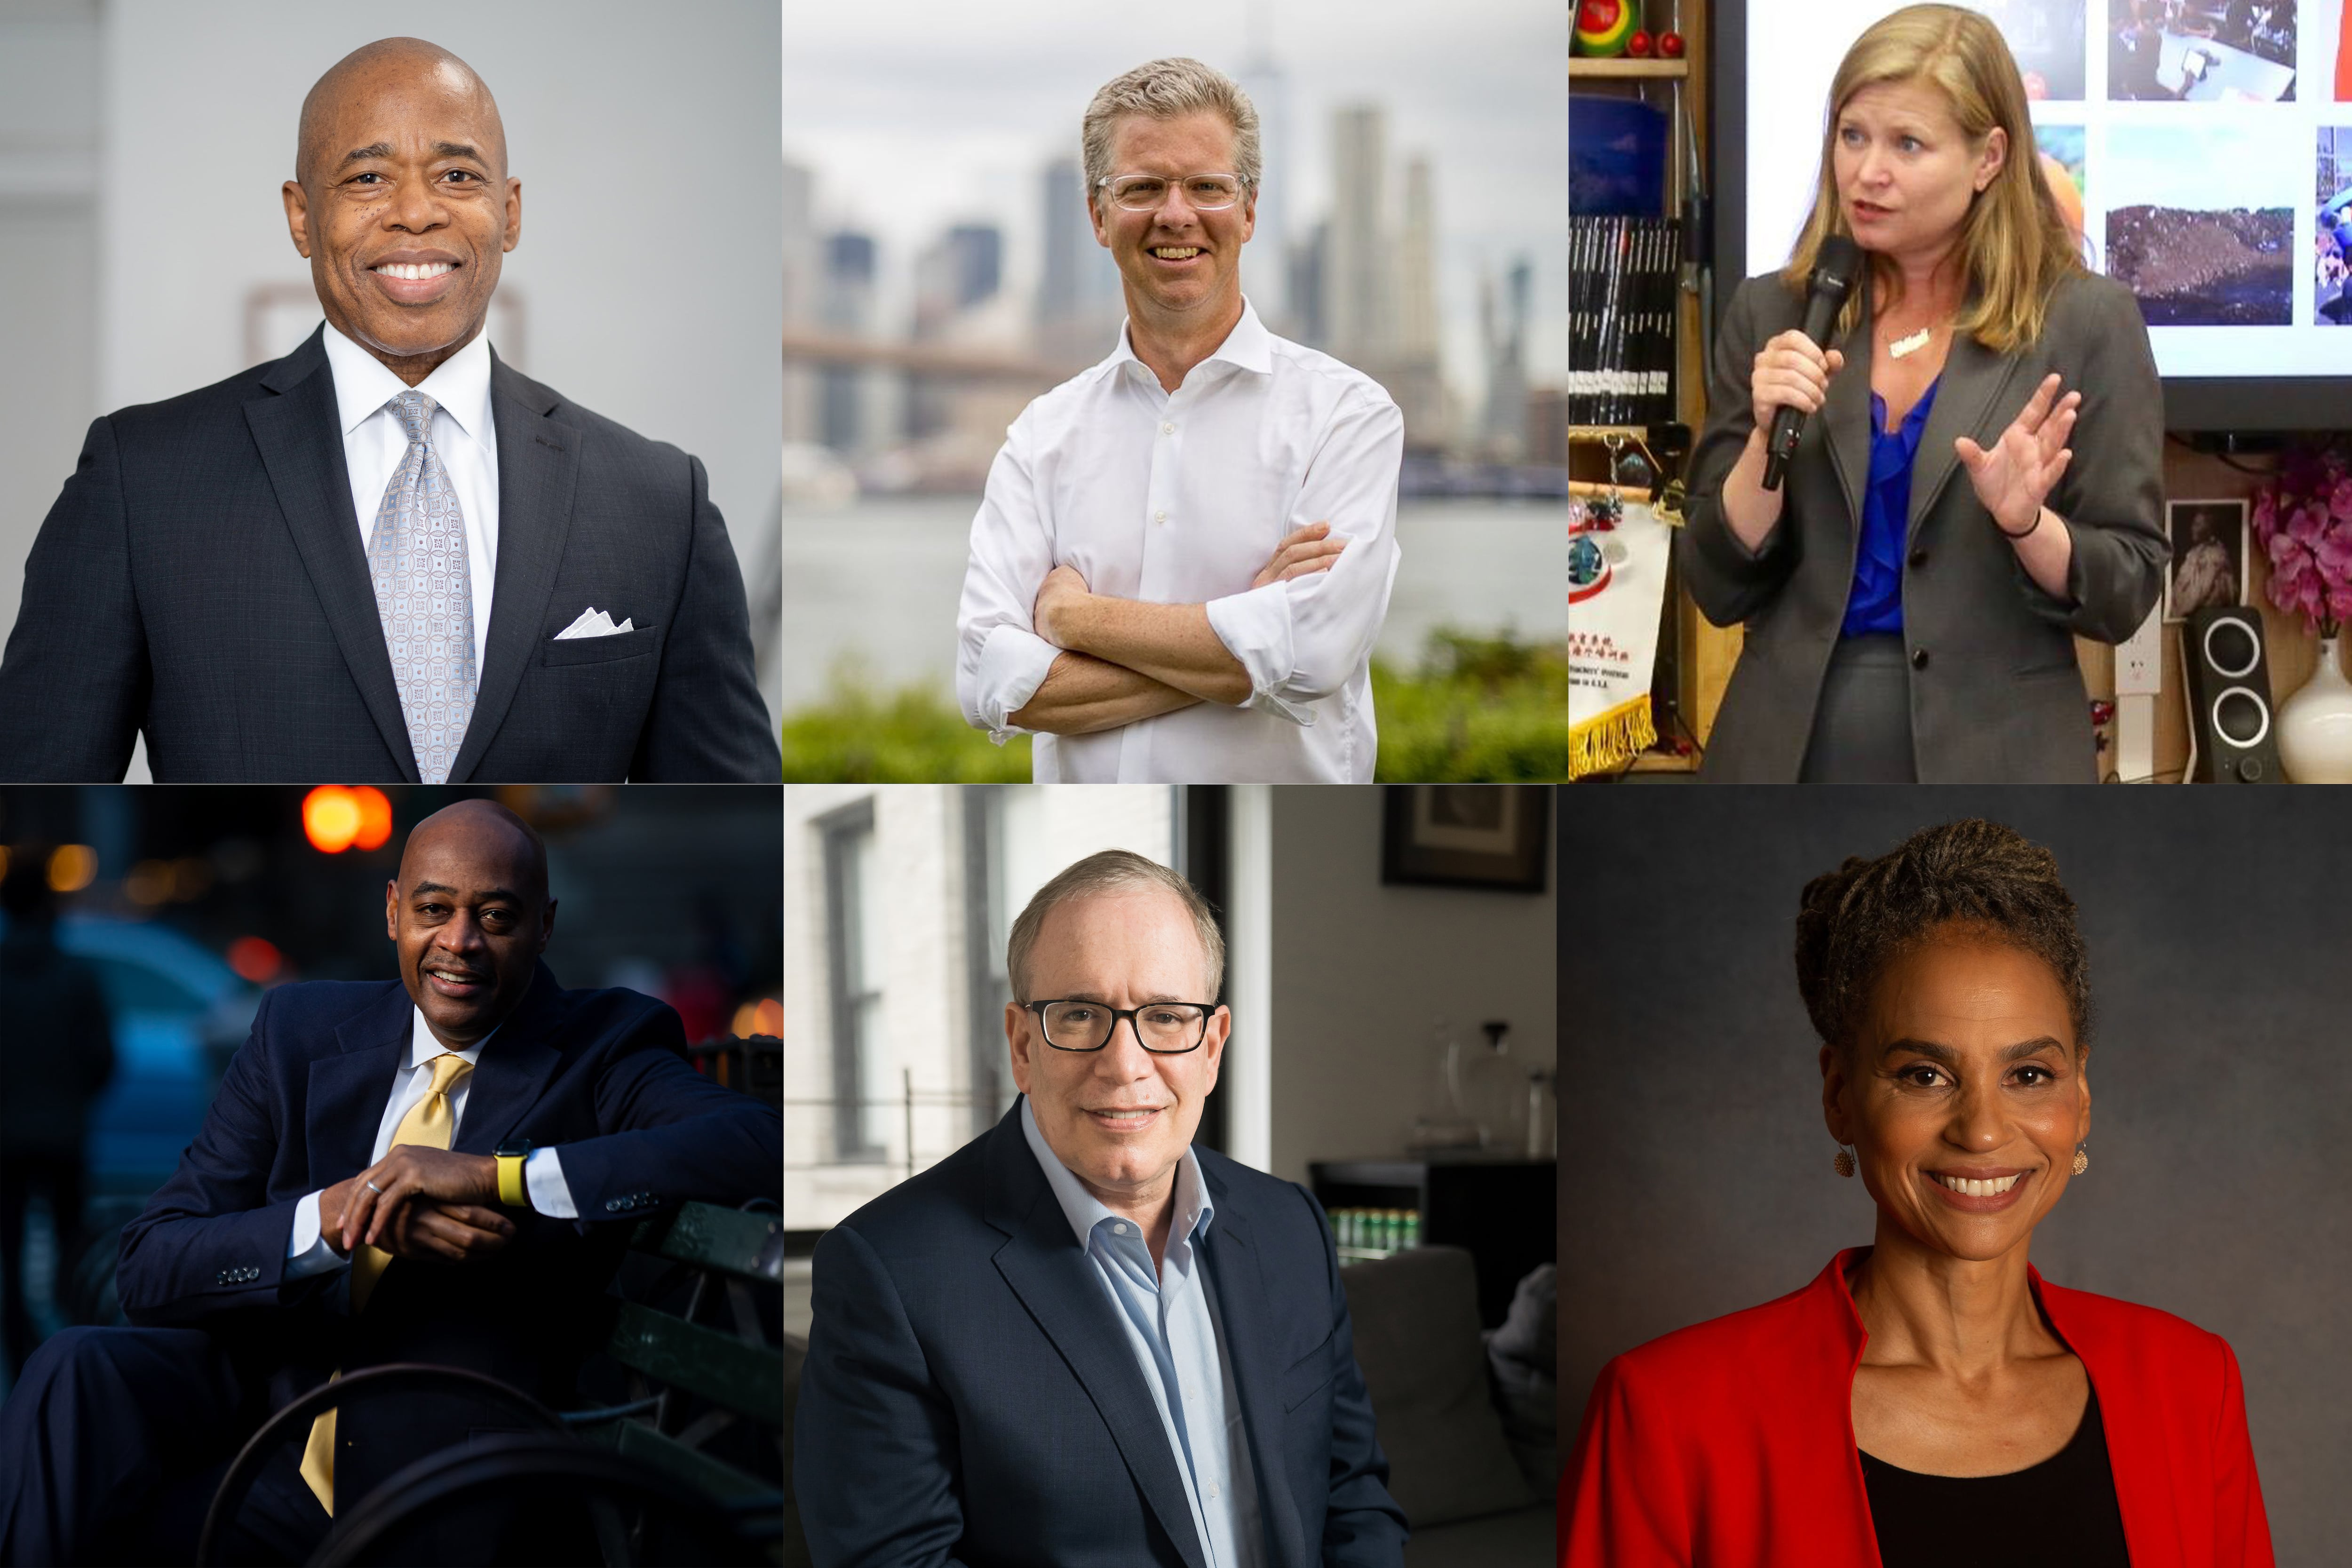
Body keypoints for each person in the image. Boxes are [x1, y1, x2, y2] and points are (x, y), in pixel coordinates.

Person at [0, 799, 782, 1564]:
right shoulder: (295, 1033)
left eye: (497, 917)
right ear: (392, 912)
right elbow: (151, 1262)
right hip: (264, 1422)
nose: (460, 942)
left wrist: (498, 1177)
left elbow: (754, 1138)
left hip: (439, 1465)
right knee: (76, 1367)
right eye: (434, 908)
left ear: (543, 925)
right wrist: (331, 1220)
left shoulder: (605, 1043)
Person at [0, 37, 778, 784]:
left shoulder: (659, 501)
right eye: (368, 179)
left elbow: (737, 807)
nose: (416, 212)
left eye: (457, 177)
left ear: (509, 212)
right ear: (302, 216)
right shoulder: (143, 480)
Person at [1562, 820, 2275, 1566]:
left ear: (2082, 1095)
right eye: (1924, 1075)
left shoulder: (2193, 1385)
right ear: (1839, 1095)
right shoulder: (1667, 1414)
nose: (1983, 1130)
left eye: (2029, 1074)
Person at [794, 850, 1407, 1565]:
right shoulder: (890, 1274)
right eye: (1082, 1015)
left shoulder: (1291, 1227)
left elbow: (1355, 1497)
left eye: (1168, 1016)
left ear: (1211, 1047)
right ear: (1023, 1044)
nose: (1125, 1063)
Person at [1679, 5, 2166, 782]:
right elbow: (1715, 584)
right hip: (1786, 749)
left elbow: (2128, 588)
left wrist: (2028, 524)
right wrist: (1758, 444)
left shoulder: (2087, 322)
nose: (1868, 172)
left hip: (2001, 755)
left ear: (1988, 158)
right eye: (1853, 135)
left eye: (1908, 144)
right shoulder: (1774, 311)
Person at [955, 59, 1404, 783]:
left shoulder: (1347, 415)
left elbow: (1316, 653)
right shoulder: (1041, 436)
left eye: (1207, 187)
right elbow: (986, 681)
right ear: (1099, 216)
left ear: (1249, 209)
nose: (1175, 214)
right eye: (1141, 188)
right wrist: (1245, 640)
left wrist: (1075, 621)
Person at [0, 857, 116, 1383]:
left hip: (6, 1136)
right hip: (64, 1132)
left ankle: (18, 1348)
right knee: (71, 1242)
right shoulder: (76, 974)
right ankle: (73, 1339)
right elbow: (102, 1057)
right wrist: (71, 1097)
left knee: (10, 1249)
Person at [2170, 509, 2238, 615]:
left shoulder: (2213, 556)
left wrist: (2177, 610)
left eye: (2197, 525)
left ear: (2209, 528)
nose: (2192, 528)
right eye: (2194, 524)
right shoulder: (2195, 552)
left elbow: (2199, 594)